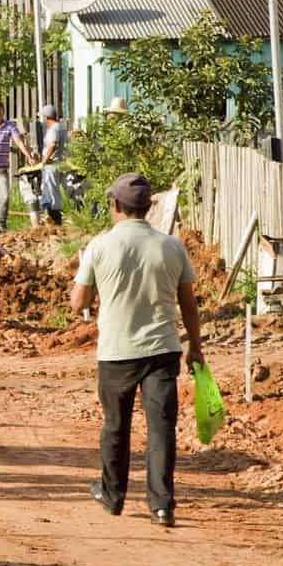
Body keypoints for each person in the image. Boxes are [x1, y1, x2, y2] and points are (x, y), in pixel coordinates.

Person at [70, 173, 205, 528]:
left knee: (116, 425)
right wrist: (196, 347)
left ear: (115, 205)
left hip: (117, 351)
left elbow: (78, 302)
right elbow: (189, 304)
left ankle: (112, 495)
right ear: (147, 208)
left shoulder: (100, 246)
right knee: (161, 427)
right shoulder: (171, 246)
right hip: (163, 350)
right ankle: (162, 505)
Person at [0, 101, 35, 232]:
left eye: (0, 110)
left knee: (4, 197)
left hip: (1, 169)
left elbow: (19, 141)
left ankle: (1, 224)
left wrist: (28, 156)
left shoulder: (9, 126)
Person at [36, 103, 68, 226]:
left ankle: (55, 220)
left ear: (46, 117)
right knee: (51, 192)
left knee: (51, 192)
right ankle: (52, 219)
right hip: (59, 163)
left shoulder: (54, 129)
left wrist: (44, 160)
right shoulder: (61, 127)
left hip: (52, 164)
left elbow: (53, 144)